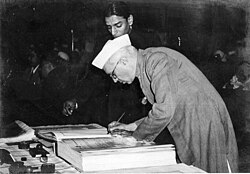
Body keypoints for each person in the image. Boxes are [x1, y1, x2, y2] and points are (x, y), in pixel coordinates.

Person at [91, 34, 238, 173]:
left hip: (204, 122)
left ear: (123, 61)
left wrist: (135, 139)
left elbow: (164, 110)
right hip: (193, 121)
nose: (115, 80)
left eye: (113, 74)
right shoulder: (146, 65)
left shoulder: (156, 61)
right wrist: (131, 127)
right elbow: (164, 107)